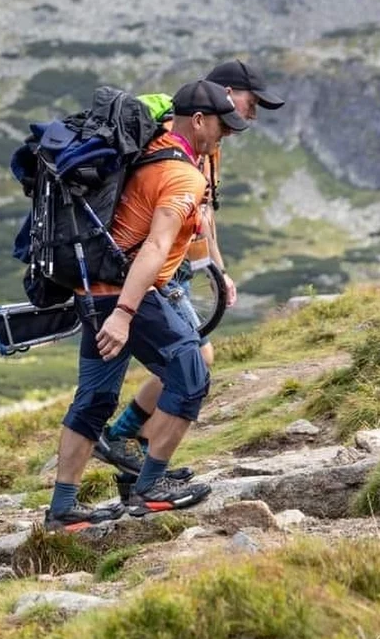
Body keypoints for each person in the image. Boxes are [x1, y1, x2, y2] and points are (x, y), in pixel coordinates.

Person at [46, 80, 247, 532]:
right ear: (198, 121)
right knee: (190, 373)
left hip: (92, 288)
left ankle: (62, 509)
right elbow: (155, 247)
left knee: (94, 399)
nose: (226, 137)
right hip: (125, 291)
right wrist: (125, 314)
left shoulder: (152, 147)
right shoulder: (183, 175)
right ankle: (150, 487)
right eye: (222, 127)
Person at [96, 61, 284, 477]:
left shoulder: (209, 148)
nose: (251, 116)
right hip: (156, 268)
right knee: (195, 358)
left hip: (172, 266)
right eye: (251, 104)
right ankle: (129, 446)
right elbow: (167, 216)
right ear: (227, 94)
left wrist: (219, 270)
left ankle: (135, 457)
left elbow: (203, 215)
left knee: (191, 359)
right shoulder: (179, 140)